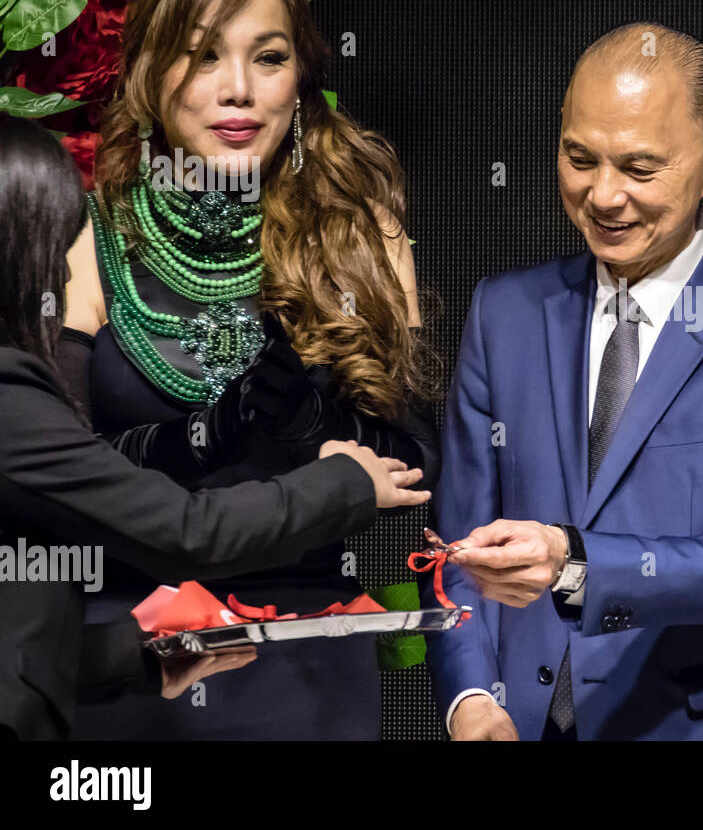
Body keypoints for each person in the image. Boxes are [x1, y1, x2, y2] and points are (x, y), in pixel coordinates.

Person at [423, 22, 703, 740]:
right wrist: (469, 698)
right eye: (579, 158)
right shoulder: (505, 313)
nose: (604, 196)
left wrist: (572, 560)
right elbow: (459, 549)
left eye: (640, 168)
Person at [60, 0, 438, 739]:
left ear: (301, 76)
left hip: (305, 653)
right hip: (139, 649)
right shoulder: (85, 235)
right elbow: (62, 480)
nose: (238, 90)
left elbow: (416, 463)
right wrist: (205, 436)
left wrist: (315, 425)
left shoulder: (363, 230)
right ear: (151, 73)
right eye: (201, 57)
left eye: (268, 58)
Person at [0, 111, 431, 740]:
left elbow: (19, 659)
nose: (65, 275)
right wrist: (346, 481)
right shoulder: (12, 399)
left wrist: (132, 657)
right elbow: (186, 532)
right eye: (53, 253)